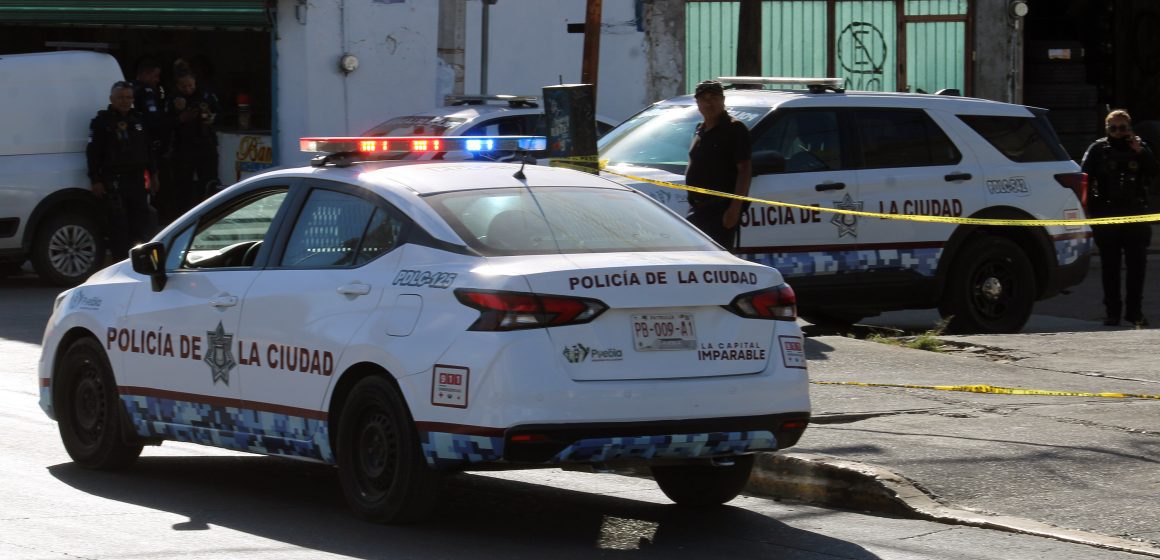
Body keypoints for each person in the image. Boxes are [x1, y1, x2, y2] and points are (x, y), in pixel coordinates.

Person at [1080, 109, 1157, 327]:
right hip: (1107, 215)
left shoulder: (1139, 147)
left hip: (1136, 215)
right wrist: (1087, 210)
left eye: (1122, 127)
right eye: (1113, 128)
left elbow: (1154, 171)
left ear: (1130, 128)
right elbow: (1084, 178)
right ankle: (1112, 312)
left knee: (1137, 267)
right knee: (1110, 266)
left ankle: (1135, 313)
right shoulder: (1097, 149)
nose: (1118, 132)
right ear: (1107, 130)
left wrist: (1141, 152)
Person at [87, 81, 155, 261]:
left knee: (140, 224)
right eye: (120, 98)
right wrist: (95, 179)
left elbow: (148, 150)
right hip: (114, 181)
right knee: (119, 226)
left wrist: (154, 174)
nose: (125, 101)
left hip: (137, 180)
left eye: (128, 97)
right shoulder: (102, 122)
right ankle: (120, 262)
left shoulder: (139, 120)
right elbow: (93, 153)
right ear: (111, 99)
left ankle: (140, 261)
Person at [685, 80, 752, 250]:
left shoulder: (734, 128)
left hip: (721, 210)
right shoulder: (700, 129)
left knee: (719, 263)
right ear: (698, 103)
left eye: (714, 97)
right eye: (704, 99)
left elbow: (744, 170)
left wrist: (734, 210)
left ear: (723, 100)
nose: (709, 103)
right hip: (698, 209)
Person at [168, 70, 221, 216]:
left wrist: (212, 118)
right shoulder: (173, 98)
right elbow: (163, 124)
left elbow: (220, 112)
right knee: (183, 185)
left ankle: (212, 213)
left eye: (190, 85)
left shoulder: (205, 94)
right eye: (184, 86)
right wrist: (180, 119)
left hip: (206, 144)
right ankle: (183, 216)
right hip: (183, 147)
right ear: (178, 86)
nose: (188, 89)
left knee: (210, 181)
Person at [131, 57, 167, 222]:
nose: (157, 80)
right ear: (145, 74)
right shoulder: (146, 91)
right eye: (155, 75)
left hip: (136, 149)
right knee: (152, 188)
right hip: (148, 149)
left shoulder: (129, 88)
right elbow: (154, 122)